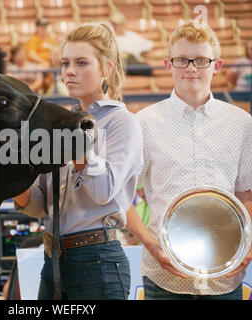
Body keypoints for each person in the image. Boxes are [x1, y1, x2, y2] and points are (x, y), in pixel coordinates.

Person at [13, 22, 143, 300]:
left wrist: (79, 148)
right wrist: (13, 177)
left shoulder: (124, 123)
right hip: (52, 260)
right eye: (66, 63)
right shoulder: (59, 123)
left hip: (98, 261)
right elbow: (38, 205)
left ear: (106, 68)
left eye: (82, 62)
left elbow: (102, 192)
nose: (69, 71)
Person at [127, 20, 252, 300]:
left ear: (216, 66)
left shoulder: (242, 124)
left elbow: (245, 192)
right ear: (168, 64)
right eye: (182, 59)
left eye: (200, 60)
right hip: (164, 277)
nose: (191, 68)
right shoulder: (143, 123)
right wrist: (149, 244)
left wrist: (248, 241)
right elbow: (121, 196)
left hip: (225, 275)